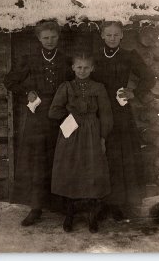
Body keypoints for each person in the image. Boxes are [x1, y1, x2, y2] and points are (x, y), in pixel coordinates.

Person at [4, 21, 72, 226]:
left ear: (58, 37)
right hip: (38, 117)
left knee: (61, 158)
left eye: (53, 37)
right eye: (45, 38)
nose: (50, 41)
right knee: (37, 161)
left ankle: (62, 205)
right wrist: (27, 92)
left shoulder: (66, 60)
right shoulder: (30, 60)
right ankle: (36, 207)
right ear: (39, 39)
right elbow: (9, 81)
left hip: (61, 116)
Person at [93, 21, 156, 221]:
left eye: (116, 34)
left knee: (119, 155)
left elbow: (149, 77)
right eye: (108, 34)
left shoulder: (129, 55)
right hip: (97, 110)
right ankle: (99, 203)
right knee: (100, 154)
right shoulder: (95, 56)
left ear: (122, 36)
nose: (112, 38)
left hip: (120, 111)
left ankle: (118, 203)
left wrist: (133, 92)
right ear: (102, 35)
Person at [49, 52, 113, 233]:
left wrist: (103, 137)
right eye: (79, 67)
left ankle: (92, 217)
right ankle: (69, 215)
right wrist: (70, 118)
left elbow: (107, 115)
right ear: (73, 68)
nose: (82, 71)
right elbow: (53, 111)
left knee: (93, 170)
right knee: (71, 170)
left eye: (86, 67)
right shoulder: (66, 87)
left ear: (92, 68)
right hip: (71, 133)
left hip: (92, 133)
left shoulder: (99, 88)